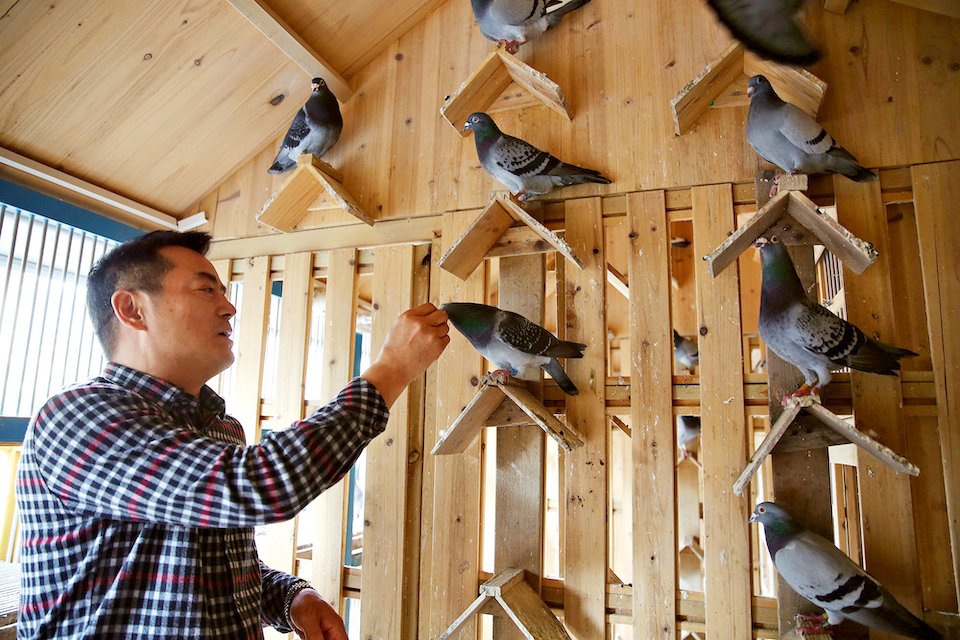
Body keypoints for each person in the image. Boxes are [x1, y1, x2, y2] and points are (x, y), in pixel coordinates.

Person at [15, 230, 450, 639]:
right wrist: (392, 369)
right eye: (207, 290)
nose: (230, 307)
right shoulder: (78, 417)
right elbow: (257, 485)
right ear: (132, 310)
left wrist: (292, 598)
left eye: (224, 291)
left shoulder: (222, 430)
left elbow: (219, 565)